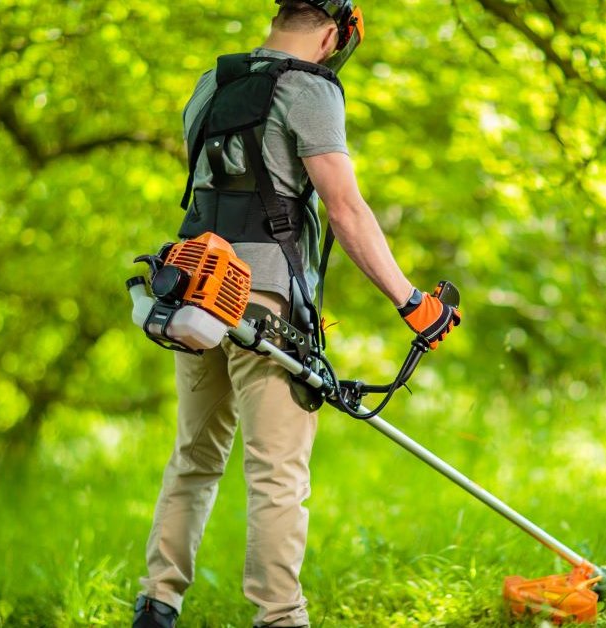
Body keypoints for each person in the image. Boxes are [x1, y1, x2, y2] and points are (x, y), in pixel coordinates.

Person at [133, 2, 460, 627]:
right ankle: (281, 618)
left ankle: (158, 601)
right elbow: (346, 210)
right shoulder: (309, 89)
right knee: (276, 473)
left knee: (194, 459)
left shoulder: (212, 82)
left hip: (195, 289)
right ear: (334, 35)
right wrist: (412, 303)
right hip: (267, 303)